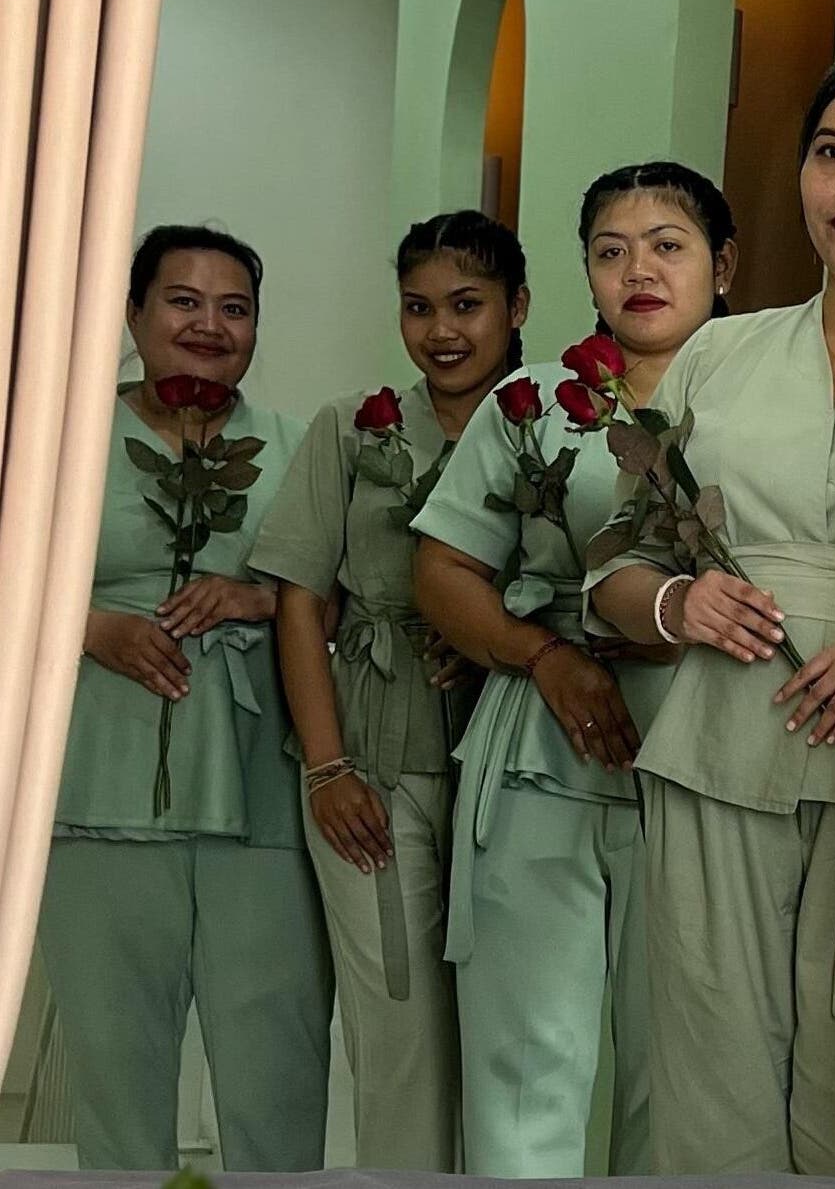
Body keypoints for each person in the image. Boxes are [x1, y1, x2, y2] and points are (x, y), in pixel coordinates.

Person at [587, 51, 835, 1180]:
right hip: (717, 751)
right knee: (709, 1095)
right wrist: (678, 600)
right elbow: (611, 564)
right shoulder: (717, 352)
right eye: (831, 154)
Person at [411, 164, 734, 1177]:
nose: (639, 269)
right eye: (611, 249)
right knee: (524, 1069)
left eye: (668, 244)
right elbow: (443, 571)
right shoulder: (532, 403)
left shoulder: (770, 399)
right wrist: (545, 656)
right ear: (585, 274)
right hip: (540, 752)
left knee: (677, 1077)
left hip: (700, 750)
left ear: (723, 265)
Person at [38, 225, 332, 1169]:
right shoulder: (61, 432)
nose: (209, 324)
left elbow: (357, 597)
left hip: (262, 793)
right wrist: (89, 626)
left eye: (234, 307)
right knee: (116, 1071)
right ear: (132, 311)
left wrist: (259, 595)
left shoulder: (299, 445)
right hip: (94, 783)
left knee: (276, 1065)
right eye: (183, 300)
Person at [248, 211, 528, 1168]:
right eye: (418, 307)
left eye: (467, 304)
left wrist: (488, 630)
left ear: (516, 307)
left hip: (514, 768)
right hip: (372, 758)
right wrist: (327, 769)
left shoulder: (557, 429)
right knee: (398, 1032)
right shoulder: (350, 427)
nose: (442, 329)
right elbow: (298, 602)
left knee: (513, 1041)